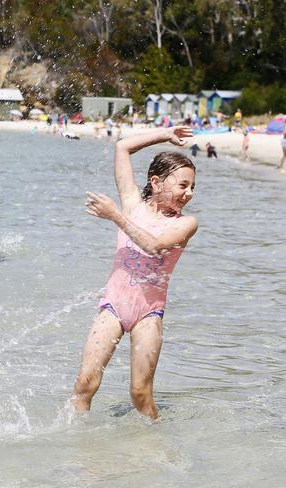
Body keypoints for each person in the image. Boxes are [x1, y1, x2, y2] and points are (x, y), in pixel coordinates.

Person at [71, 126, 198, 420]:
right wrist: (165, 133)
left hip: (148, 314)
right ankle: (76, 450)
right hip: (113, 307)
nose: (188, 193)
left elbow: (154, 246)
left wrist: (115, 215)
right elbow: (122, 148)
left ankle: (155, 448)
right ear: (156, 182)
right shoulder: (132, 204)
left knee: (140, 392)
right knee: (85, 384)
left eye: (192, 187)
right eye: (182, 185)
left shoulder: (186, 223)